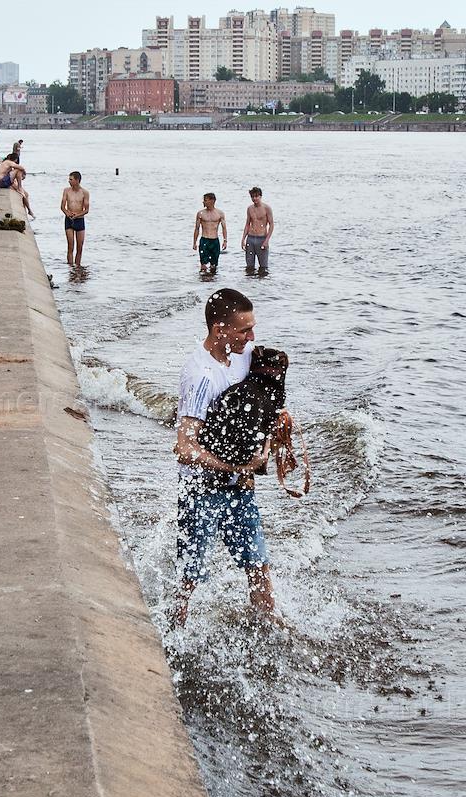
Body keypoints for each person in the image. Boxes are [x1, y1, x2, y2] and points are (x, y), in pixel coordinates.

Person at [171, 288, 282, 629]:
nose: (252, 337)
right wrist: (237, 467)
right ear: (220, 330)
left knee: (258, 565)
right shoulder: (200, 376)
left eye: (252, 328)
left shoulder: (243, 355)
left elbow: (265, 393)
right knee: (188, 578)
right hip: (201, 491)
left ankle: (271, 627)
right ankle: (172, 631)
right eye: (244, 330)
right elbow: (185, 449)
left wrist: (280, 418)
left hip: (239, 490)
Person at [192, 192, 228, 275]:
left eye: (205, 200)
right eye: (204, 200)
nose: (203, 202)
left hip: (215, 241)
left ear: (212, 201)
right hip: (204, 240)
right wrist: (194, 242)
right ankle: (203, 282)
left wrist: (225, 241)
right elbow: (197, 229)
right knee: (203, 265)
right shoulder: (200, 213)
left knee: (213, 266)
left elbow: (224, 228)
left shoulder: (220, 213)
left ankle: (212, 282)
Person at [61, 171, 90, 267]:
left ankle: (77, 267)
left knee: (80, 247)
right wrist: (67, 213)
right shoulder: (66, 190)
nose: (69, 181)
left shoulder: (84, 193)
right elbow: (62, 206)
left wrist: (77, 215)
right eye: (69, 179)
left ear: (77, 180)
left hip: (79, 220)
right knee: (70, 246)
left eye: (71, 179)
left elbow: (86, 210)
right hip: (69, 219)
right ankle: (70, 268)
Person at [243, 187, 274, 275]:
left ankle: (261, 287)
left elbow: (271, 224)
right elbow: (247, 224)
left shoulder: (267, 208)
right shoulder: (249, 208)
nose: (254, 199)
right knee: (249, 267)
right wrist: (243, 239)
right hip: (251, 238)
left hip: (262, 238)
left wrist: (267, 241)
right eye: (252, 197)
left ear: (260, 196)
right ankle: (251, 286)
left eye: (256, 196)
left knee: (263, 268)